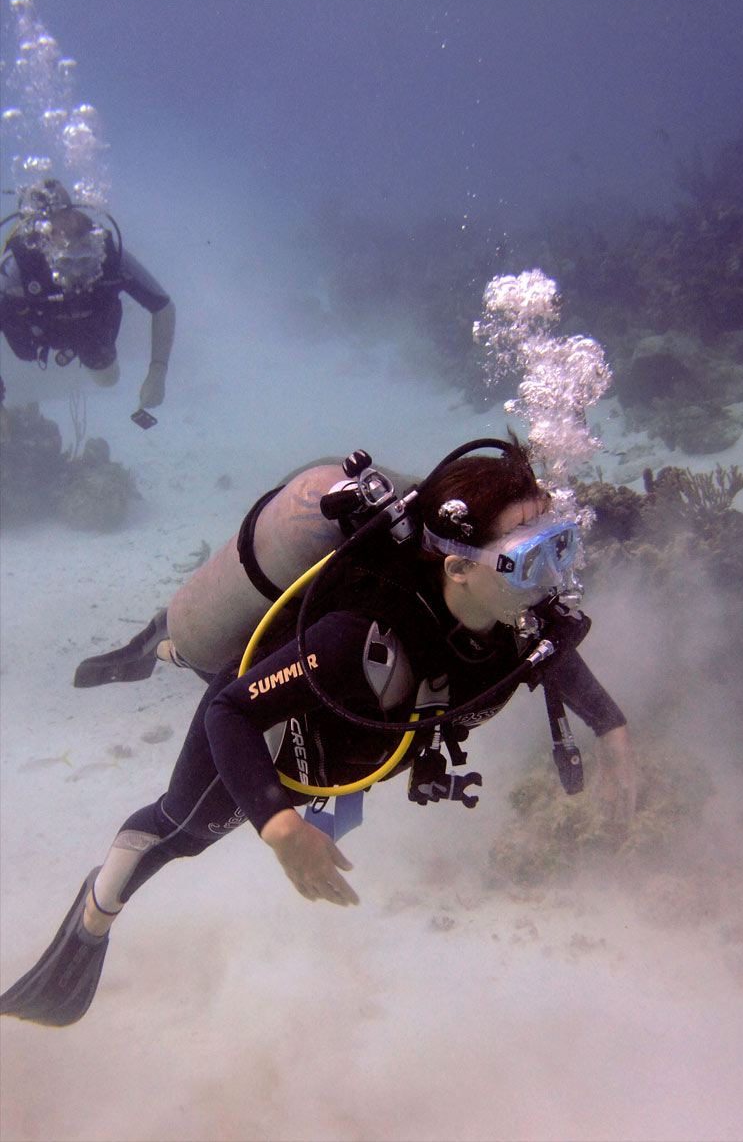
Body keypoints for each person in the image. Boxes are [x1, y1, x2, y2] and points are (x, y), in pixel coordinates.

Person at [0, 437, 636, 1027]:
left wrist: (614, 735)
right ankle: (92, 919)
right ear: (459, 568)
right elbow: (231, 711)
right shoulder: (358, 637)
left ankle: (162, 644)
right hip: (270, 721)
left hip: (332, 733)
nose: (553, 580)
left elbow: (554, 657)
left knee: (194, 674)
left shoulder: (512, 621)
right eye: (527, 560)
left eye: (561, 544)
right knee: (182, 829)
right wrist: (280, 829)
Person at [0, 178, 176, 427]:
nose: (76, 277)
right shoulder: (18, 266)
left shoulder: (109, 255)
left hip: (89, 329)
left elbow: (163, 306)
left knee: (107, 379)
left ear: (96, 252)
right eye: (65, 264)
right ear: (48, 255)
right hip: (35, 328)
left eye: (85, 261)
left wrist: (158, 371)